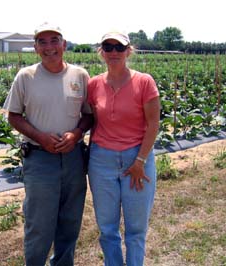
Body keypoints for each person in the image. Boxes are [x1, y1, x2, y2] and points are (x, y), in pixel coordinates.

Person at [4, 22, 93, 266]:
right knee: (39, 224)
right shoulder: (26, 77)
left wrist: (76, 134)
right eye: (42, 42)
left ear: (64, 45)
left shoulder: (80, 75)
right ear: (35, 48)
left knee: (70, 221)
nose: (49, 47)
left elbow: (88, 114)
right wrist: (40, 136)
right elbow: (13, 116)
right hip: (40, 158)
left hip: (74, 158)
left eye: (54, 40)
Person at [87, 30, 160, 266]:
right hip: (101, 162)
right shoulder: (94, 84)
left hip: (136, 159)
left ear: (129, 51)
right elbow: (91, 121)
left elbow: (153, 124)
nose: (114, 52)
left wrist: (140, 161)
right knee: (107, 228)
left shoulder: (144, 82)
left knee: (136, 229)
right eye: (108, 47)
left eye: (119, 47)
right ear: (102, 52)